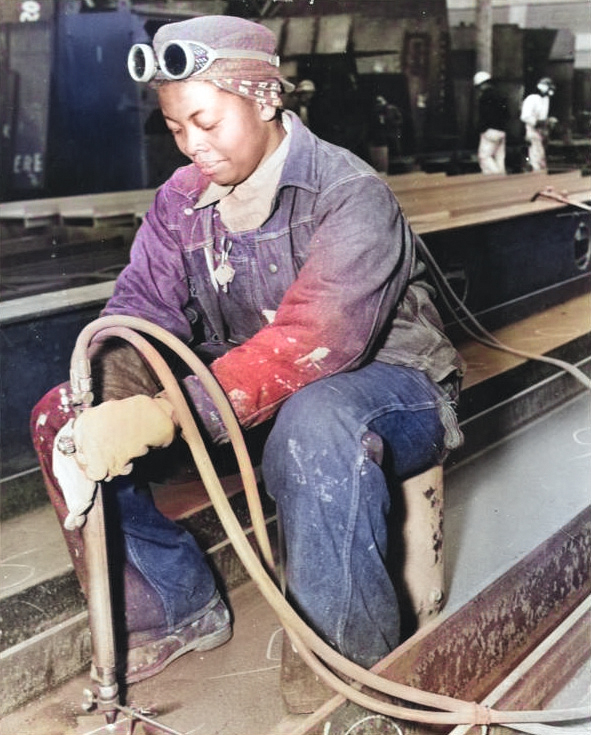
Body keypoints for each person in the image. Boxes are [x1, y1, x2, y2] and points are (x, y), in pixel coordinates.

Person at [30, 15, 464, 696]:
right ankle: (175, 604)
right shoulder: (180, 202)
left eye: (205, 121)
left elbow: (309, 343)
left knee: (314, 421)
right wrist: (111, 406)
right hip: (242, 399)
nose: (191, 145)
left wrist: (165, 415)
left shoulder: (348, 195)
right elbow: (137, 314)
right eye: (175, 129)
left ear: (265, 99)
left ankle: (345, 672)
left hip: (387, 393)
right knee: (65, 416)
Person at [473, 71, 510, 175]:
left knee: (484, 157)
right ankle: (502, 178)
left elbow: (485, 116)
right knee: (499, 158)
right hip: (502, 131)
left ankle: (497, 178)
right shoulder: (501, 95)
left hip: (490, 132)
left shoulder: (485, 97)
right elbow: (507, 114)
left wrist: (481, 129)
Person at [520, 77, 556, 171]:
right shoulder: (531, 99)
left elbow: (543, 115)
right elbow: (525, 116)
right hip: (532, 130)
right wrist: (538, 123)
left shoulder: (545, 99)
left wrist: (547, 122)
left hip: (542, 130)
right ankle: (536, 174)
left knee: (541, 154)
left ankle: (540, 173)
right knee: (536, 154)